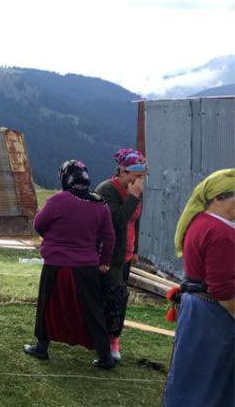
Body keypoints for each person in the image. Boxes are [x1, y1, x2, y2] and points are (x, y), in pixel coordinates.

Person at [23, 160, 116, 369]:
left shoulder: (58, 200)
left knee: (48, 306)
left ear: (66, 179)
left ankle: (41, 347)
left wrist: (54, 238)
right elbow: (109, 236)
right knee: (92, 310)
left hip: (57, 264)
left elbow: (39, 224)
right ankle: (105, 356)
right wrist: (104, 260)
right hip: (87, 266)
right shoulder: (99, 203)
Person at [162, 168, 235, 407]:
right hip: (214, 316)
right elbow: (223, 290)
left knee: (191, 377)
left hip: (197, 311)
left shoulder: (200, 222)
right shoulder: (220, 233)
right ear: (218, 198)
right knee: (209, 381)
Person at [95, 147, 146, 361]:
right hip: (108, 254)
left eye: (142, 176)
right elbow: (116, 221)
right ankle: (109, 341)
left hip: (125, 254)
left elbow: (136, 221)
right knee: (114, 297)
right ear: (123, 172)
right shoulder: (108, 190)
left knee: (118, 297)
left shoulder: (135, 192)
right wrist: (133, 197)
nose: (140, 181)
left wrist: (135, 250)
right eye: (136, 176)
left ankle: (111, 338)